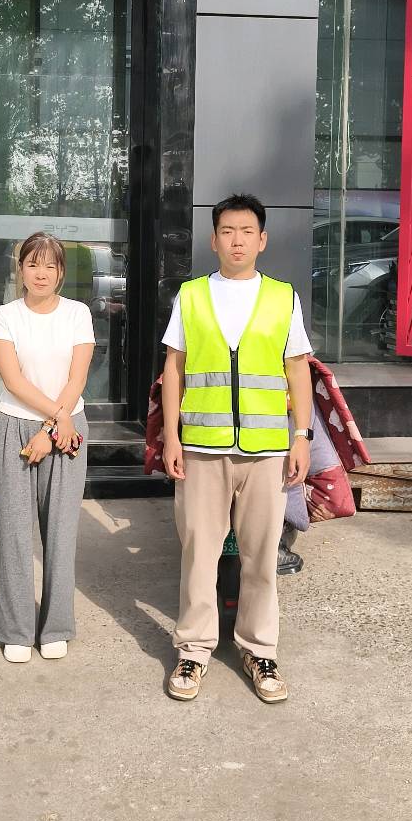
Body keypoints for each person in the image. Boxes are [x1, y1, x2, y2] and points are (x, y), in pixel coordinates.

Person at [161, 193, 313, 704]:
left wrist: (301, 436)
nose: (237, 240)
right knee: (198, 556)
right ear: (214, 240)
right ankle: (194, 650)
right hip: (202, 447)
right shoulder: (191, 296)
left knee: (261, 558)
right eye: (228, 231)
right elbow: (174, 369)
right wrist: (171, 436)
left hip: (266, 450)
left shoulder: (282, 297)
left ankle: (259, 649)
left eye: (247, 231)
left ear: (262, 240)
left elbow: (297, 369)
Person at [0, 232, 94, 663]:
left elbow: (77, 378)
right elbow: (14, 381)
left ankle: (55, 627)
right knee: (13, 532)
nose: (41, 273)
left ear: (61, 272)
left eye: (50, 265)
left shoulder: (78, 314)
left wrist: (52, 429)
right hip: (15, 426)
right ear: (21, 270)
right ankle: (15, 629)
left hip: (66, 431)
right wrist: (56, 420)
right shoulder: (5, 316)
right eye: (33, 264)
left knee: (61, 533)